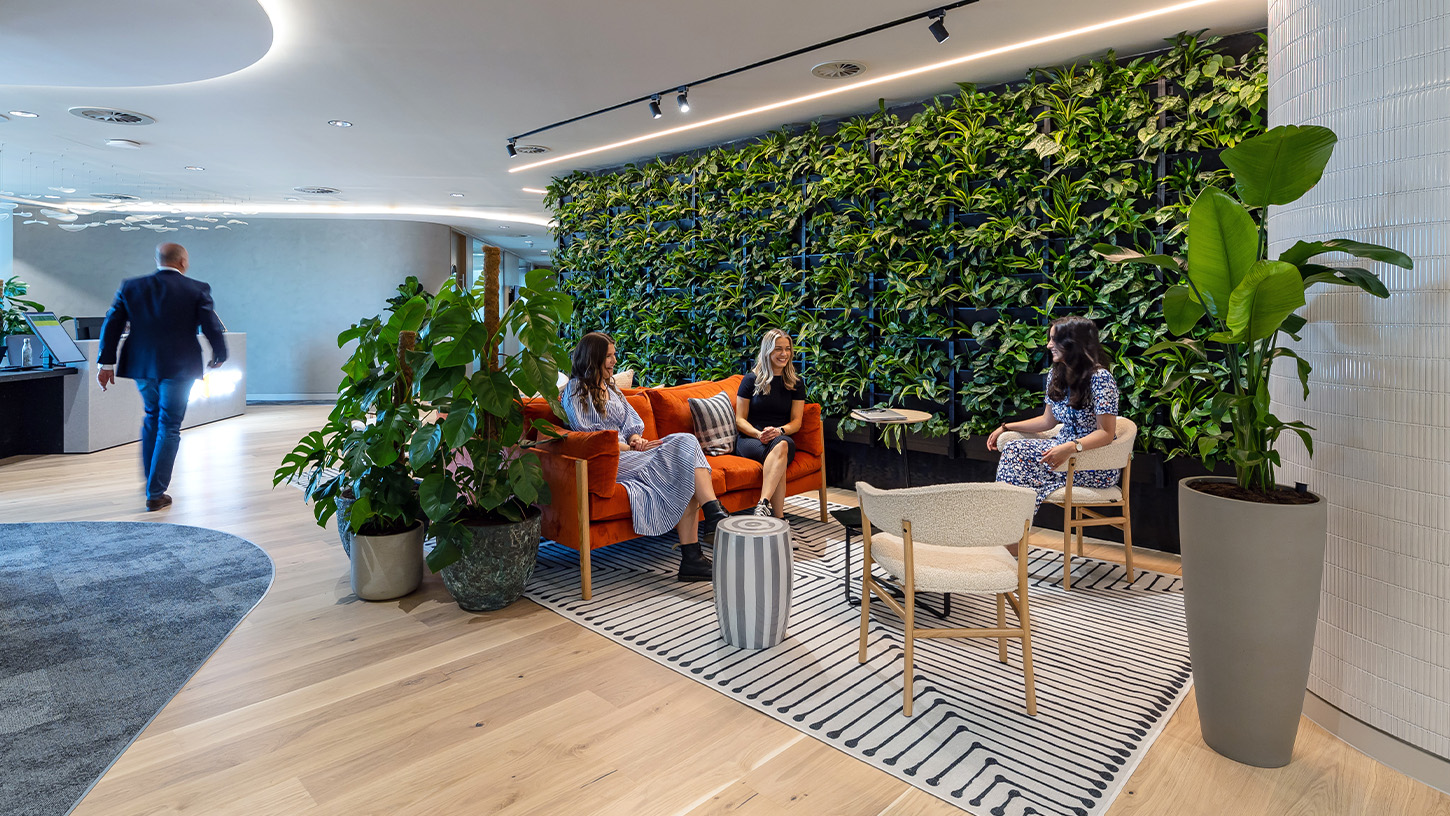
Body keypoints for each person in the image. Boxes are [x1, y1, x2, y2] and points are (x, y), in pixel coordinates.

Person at [561, 332, 727, 582]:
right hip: (610, 462)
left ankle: (700, 543)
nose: (614, 361)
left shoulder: (611, 388)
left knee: (685, 443)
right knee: (684, 459)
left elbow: (630, 423)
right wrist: (629, 448)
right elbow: (590, 437)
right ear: (592, 357)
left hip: (629, 453)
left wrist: (636, 439)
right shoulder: (577, 390)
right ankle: (704, 534)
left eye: (614, 355)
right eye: (608, 356)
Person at [97, 243, 227, 511]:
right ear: (182, 262)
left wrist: (106, 362)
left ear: (158, 260)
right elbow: (211, 324)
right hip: (180, 366)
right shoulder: (197, 288)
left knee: (152, 417)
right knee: (169, 424)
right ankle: (155, 493)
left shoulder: (131, 286)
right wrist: (220, 354)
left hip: (142, 365)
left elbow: (112, 323)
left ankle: (151, 481)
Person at [986, 316, 1120, 511]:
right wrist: (1005, 427)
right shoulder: (1056, 374)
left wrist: (1071, 447)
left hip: (1093, 460)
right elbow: (1047, 421)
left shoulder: (1100, 378)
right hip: (1061, 450)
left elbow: (1106, 433)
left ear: (1073, 342)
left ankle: (1012, 531)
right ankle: (1012, 528)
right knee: (1014, 452)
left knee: (1017, 462)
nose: (1049, 345)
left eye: (1054, 340)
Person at [734, 328, 806, 518]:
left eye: (787, 349)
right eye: (778, 349)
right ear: (767, 351)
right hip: (751, 439)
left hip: (779, 437)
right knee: (779, 457)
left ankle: (762, 504)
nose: (784, 354)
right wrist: (759, 434)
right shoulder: (751, 380)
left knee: (782, 445)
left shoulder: (795, 383)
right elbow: (740, 419)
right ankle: (779, 519)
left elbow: (796, 422)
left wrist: (779, 430)